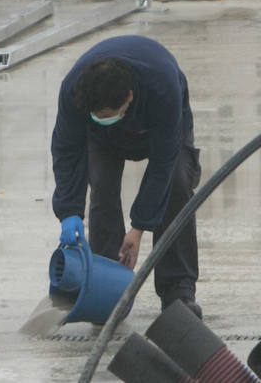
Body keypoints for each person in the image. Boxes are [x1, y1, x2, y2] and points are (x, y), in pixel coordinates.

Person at [51, 35, 203, 319]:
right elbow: (66, 150)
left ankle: (178, 292)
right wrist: (68, 210)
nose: (100, 116)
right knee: (102, 188)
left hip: (163, 126)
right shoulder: (75, 91)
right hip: (103, 139)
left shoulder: (162, 89)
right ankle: (107, 285)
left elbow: (163, 164)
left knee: (178, 185)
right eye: (95, 114)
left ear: (129, 97)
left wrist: (139, 227)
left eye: (106, 114)